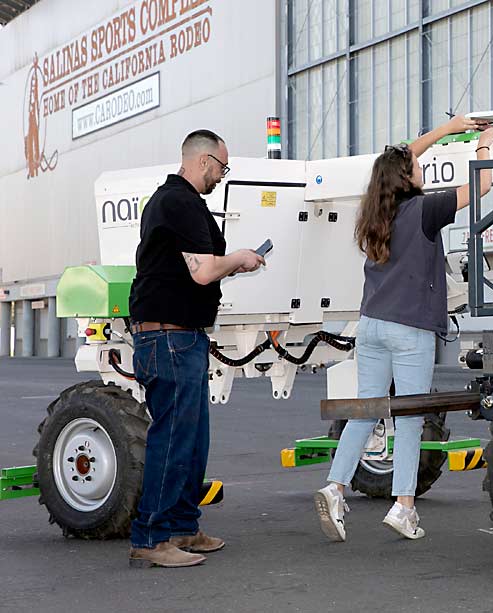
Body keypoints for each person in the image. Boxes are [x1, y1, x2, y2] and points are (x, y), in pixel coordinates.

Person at [314, 116, 493, 541]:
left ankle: (335, 487)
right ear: (407, 177)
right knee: (411, 419)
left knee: (367, 411)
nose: (422, 165)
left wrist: (450, 130)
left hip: (372, 324)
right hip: (410, 330)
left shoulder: (377, 210)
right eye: (417, 165)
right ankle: (403, 507)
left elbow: (399, 157)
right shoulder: (425, 208)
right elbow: (483, 187)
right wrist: (484, 146)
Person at [127, 130, 266, 568]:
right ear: (204, 161)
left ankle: (183, 527)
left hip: (178, 335)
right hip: (169, 337)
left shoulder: (177, 203)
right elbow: (203, 271)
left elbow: (198, 270)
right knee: (172, 438)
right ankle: (151, 537)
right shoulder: (180, 202)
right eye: (222, 167)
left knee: (191, 438)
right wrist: (240, 258)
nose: (223, 176)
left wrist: (234, 263)